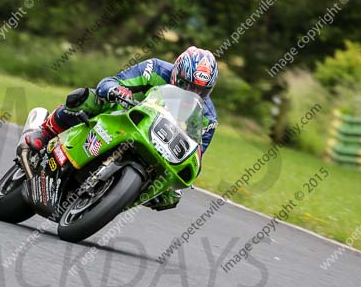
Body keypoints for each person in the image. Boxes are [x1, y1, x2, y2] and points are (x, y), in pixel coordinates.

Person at [25, 46, 219, 210]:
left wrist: (174, 185)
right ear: (176, 73)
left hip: (160, 147)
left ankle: (112, 198)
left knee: (170, 198)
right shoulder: (155, 69)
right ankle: (45, 131)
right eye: (187, 85)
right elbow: (111, 82)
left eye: (201, 90)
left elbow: (195, 154)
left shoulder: (208, 117)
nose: (192, 93)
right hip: (126, 115)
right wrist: (116, 90)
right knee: (86, 98)